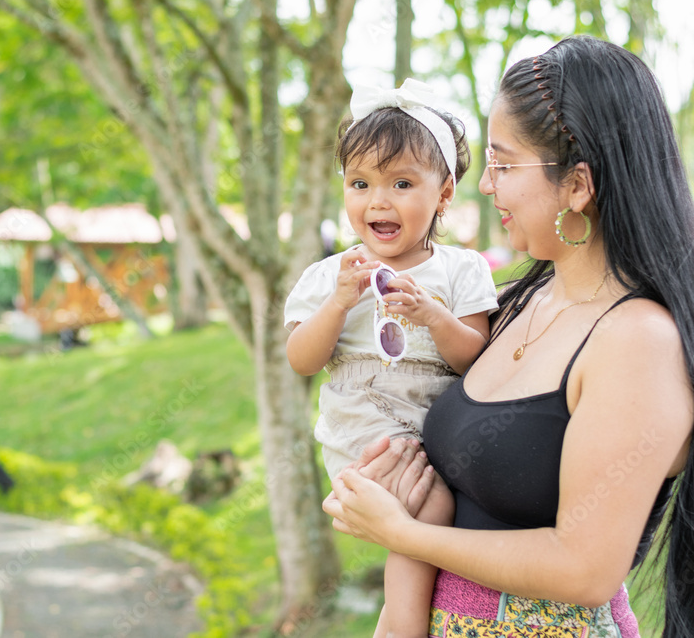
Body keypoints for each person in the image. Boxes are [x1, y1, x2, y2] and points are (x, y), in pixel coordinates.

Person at [322, 34, 694, 637]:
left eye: (503, 164)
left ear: (577, 185)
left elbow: (584, 569)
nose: (487, 185)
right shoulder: (518, 302)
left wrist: (401, 532)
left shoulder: (639, 341)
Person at [285, 79, 498, 638]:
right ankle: (404, 624)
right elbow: (301, 359)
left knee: (439, 504)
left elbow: (476, 360)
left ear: (444, 194)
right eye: (360, 183)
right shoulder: (331, 275)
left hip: (436, 426)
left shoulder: (461, 270)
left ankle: (399, 621)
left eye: (402, 183)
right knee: (430, 506)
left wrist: (434, 316)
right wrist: (338, 303)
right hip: (364, 425)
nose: (378, 201)